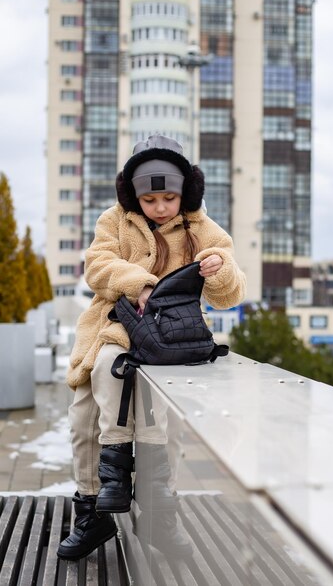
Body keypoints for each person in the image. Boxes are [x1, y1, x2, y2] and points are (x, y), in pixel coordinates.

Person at [57, 134, 247, 560]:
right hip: (111, 328)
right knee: (85, 419)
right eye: (150, 199)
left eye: (169, 197)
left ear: (185, 191)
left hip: (170, 340)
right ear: (134, 195)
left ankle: (159, 515)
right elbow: (97, 264)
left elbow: (230, 293)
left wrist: (219, 270)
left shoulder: (202, 228)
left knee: (161, 421)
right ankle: (94, 512)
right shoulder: (114, 220)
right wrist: (140, 284)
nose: (160, 208)